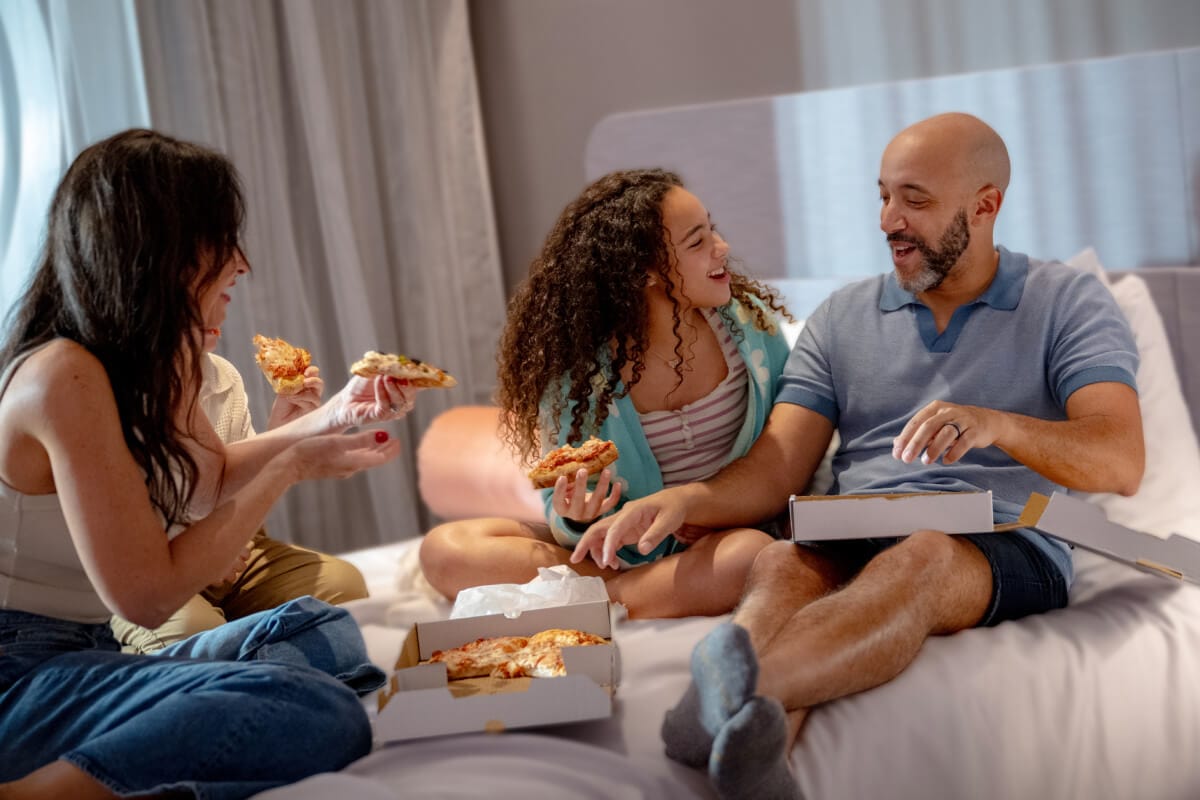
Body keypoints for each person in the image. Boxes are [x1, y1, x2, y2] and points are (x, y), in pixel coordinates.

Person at [573, 113, 1145, 799]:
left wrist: (999, 425)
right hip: (853, 526)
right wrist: (690, 499)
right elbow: (782, 463)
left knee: (923, 555)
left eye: (915, 200)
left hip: (1003, 537)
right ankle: (757, 753)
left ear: (986, 205)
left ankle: (728, 693)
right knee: (783, 559)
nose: (888, 220)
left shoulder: (1066, 302)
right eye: (883, 195)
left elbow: (1121, 459)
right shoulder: (842, 318)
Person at [0, 128, 419, 799]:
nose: (241, 265)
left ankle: (146, 730)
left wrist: (338, 413)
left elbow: (205, 487)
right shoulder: (62, 379)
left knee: (325, 632)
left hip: (83, 651)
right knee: (321, 710)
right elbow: (146, 596)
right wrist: (290, 468)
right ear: (159, 255)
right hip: (16, 671)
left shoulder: (148, 363)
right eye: (220, 242)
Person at [419, 168, 793, 618]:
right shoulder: (577, 376)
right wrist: (577, 515)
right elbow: (577, 526)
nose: (722, 247)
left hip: (721, 537)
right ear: (643, 272)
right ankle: (633, 592)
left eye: (711, 229)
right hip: (622, 553)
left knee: (749, 555)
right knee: (445, 549)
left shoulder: (751, 330)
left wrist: (710, 510)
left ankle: (606, 599)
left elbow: (782, 458)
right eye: (697, 242)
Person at [110, 329, 369, 654]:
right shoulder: (113, 391)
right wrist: (204, 553)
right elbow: (108, 528)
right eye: (209, 295)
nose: (220, 314)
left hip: (232, 553)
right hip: (146, 567)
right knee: (195, 633)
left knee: (343, 587)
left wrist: (283, 432)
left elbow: (237, 485)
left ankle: (270, 662)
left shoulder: (222, 376)